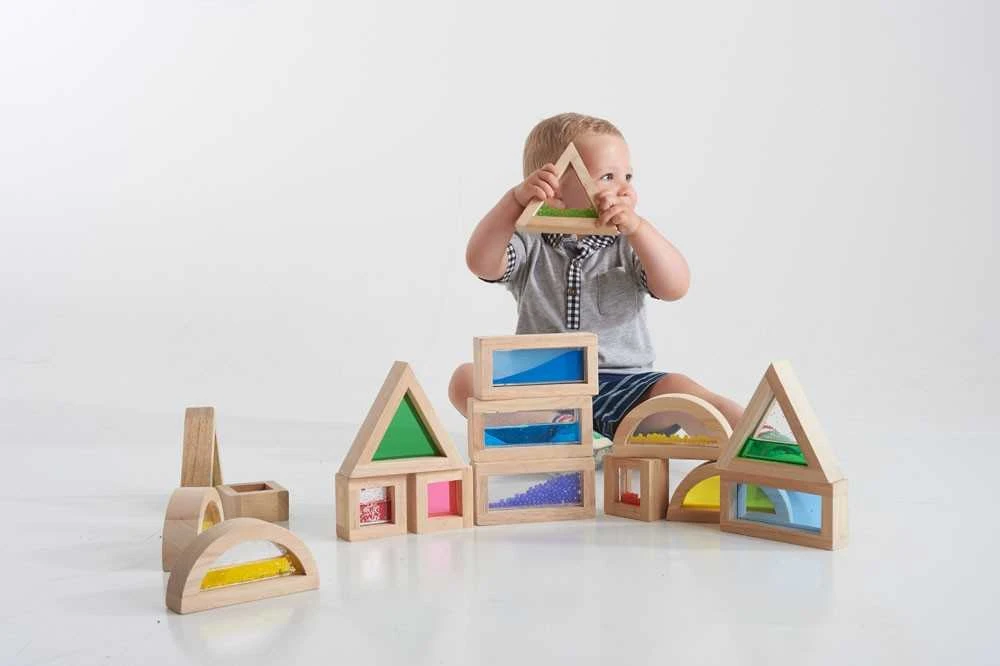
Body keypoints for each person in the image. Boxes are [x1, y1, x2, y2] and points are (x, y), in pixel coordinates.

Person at [449, 113, 743, 461]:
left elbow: (675, 286)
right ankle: (564, 435)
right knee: (465, 379)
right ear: (553, 186)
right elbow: (481, 262)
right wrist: (514, 201)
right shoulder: (531, 242)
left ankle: (751, 433)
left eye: (628, 177)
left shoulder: (629, 243)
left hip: (623, 385)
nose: (625, 189)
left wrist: (639, 229)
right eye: (608, 177)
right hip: (541, 387)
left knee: (680, 388)